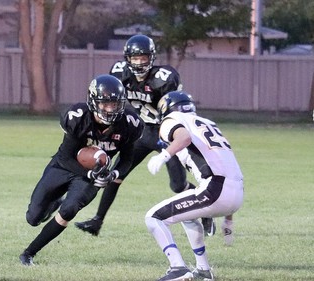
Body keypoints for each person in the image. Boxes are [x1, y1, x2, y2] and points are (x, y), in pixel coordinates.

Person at [75, 34, 216, 237]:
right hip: (141, 132)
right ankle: (97, 221)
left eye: (143, 57)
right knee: (116, 175)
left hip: (165, 132)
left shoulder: (164, 79)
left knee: (177, 186)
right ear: (127, 58)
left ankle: (205, 211)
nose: (139, 62)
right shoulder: (119, 74)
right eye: (135, 58)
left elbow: (175, 110)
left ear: (151, 57)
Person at [19, 74, 144, 266]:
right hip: (64, 166)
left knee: (69, 210)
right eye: (105, 104)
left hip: (93, 174)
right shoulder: (78, 117)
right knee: (33, 218)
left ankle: (29, 253)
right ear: (94, 101)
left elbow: (127, 159)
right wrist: (88, 173)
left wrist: (113, 174)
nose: (110, 109)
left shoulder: (128, 123)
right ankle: (52, 205)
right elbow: (65, 157)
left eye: (114, 104)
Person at [145, 91, 244, 281]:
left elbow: (183, 139)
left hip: (215, 189)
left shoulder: (172, 119)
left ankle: (177, 268)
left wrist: (163, 156)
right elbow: (229, 167)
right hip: (236, 192)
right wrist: (229, 220)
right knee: (188, 217)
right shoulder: (209, 124)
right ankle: (203, 270)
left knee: (153, 217)